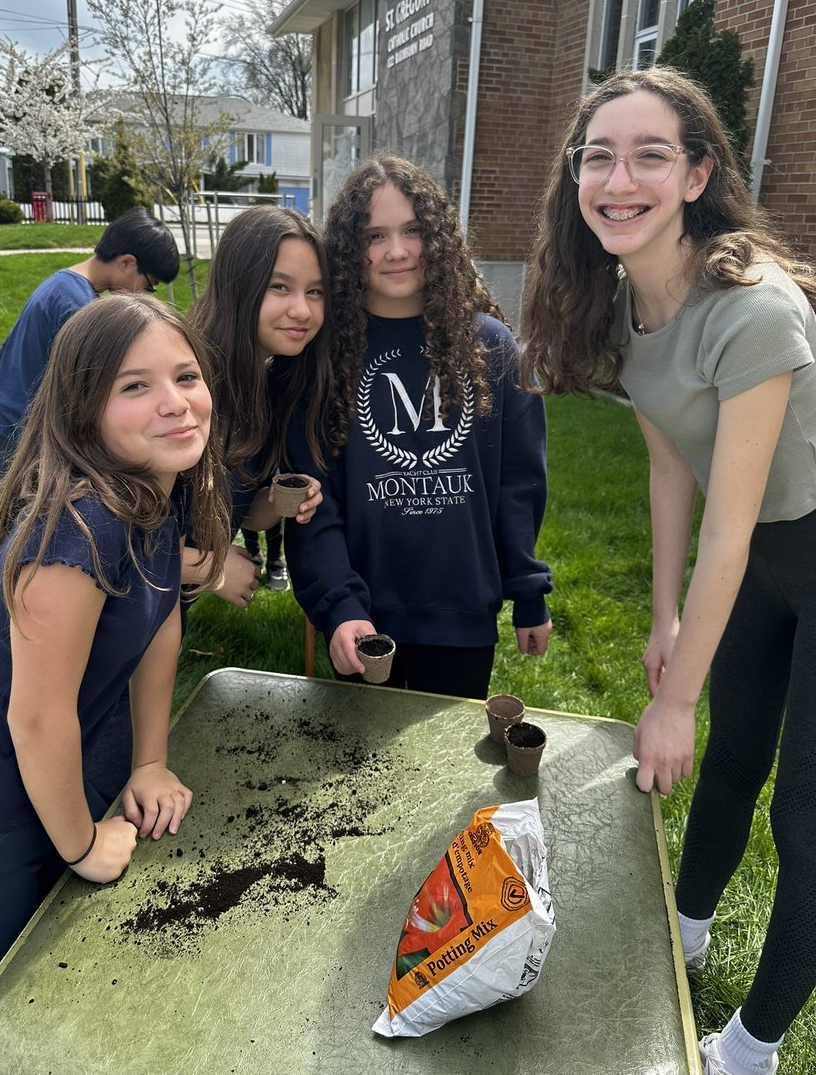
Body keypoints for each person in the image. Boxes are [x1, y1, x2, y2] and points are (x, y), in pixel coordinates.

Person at [520, 66, 816, 1075]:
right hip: (771, 560)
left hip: (801, 545)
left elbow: (727, 535)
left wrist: (673, 696)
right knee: (735, 757)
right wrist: (662, 619)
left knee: (806, 814)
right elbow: (665, 464)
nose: (619, 177)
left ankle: (753, 1049)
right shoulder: (628, 301)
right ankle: (683, 935)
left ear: (696, 175)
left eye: (650, 154)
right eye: (599, 155)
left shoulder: (753, 309)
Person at [0, 294, 229, 1073]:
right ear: (83, 410)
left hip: (62, 791)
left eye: (186, 375)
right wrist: (83, 845)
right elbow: (36, 719)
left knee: (62, 1028)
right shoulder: (77, 529)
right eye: (134, 386)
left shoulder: (157, 488)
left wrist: (150, 760)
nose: (174, 402)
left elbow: (160, 625)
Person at [283, 154, 553, 699]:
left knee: (444, 776)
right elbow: (313, 503)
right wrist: (338, 605)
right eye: (374, 235)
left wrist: (527, 589)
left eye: (412, 230)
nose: (397, 251)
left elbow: (518, 485)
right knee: (361, 776)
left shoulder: (492, 347)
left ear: (437, 235)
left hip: (461, 616)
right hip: (360, 619)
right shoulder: (322, 357)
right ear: (348, 250)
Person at [187, 204, 329, 607]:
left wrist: (280, 500)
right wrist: (205, 567)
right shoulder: (186, 383)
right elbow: (107, 534)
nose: (302, 310)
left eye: (315, 291)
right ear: (238, 285)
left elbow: (243, 512)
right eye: (279, 286)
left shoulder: (267, 384)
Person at [0, 206, 180, 484]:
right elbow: (91, 397)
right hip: (20, 439)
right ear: (127, 263)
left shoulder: (62, 284)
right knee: (33, 525)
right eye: (147, 286)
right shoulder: (78, 308)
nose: (143, 295)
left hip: (6, 427)